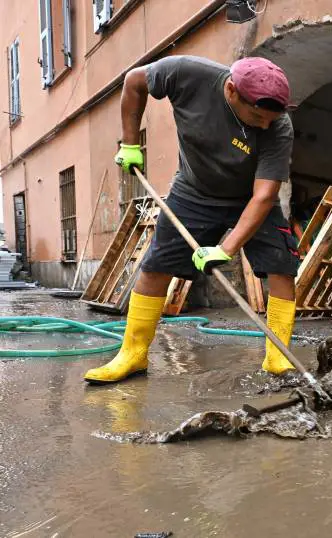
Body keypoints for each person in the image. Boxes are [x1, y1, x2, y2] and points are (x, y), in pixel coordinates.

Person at [84, 55, 299, 384]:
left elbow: (264, 195)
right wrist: (130, 143)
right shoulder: (185, 73)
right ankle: (133, 354)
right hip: (194, 191)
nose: (265, 125)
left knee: (281, 267)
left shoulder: (278, 126)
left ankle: (278, 359)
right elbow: (133, 82)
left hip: (250, 198)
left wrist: (225, 248)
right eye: (257, 116)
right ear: (231, 91)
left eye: (271, 119)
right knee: (156, 266)